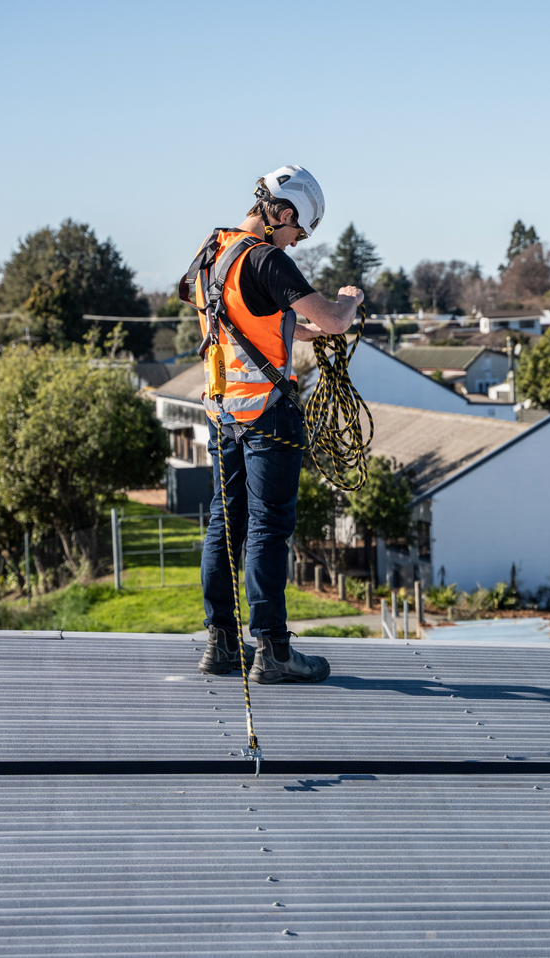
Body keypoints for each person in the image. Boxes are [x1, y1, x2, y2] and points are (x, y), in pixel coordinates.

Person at [184, 165, 362, 684]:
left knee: (226, 522)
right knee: (267, 526)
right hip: (268, 412)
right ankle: (274, 651)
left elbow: (242, 318)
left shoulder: (215, 250)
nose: (296, 243)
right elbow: (333, 318)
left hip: (223, 409)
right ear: (283, 213)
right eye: (298, 232)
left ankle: (220, 642)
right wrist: (348, 302)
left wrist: (297, 331)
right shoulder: (267, 259)